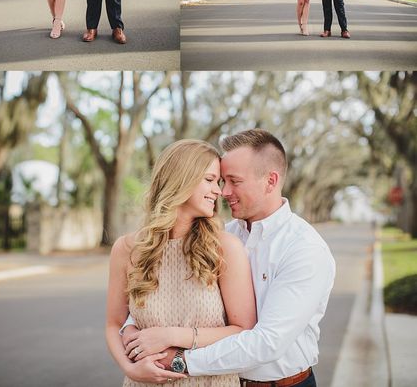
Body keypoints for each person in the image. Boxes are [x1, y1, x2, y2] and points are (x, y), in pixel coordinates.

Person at [124, 129, 335, 387]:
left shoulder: (304, 248)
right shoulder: (219, 236)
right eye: (221, 181)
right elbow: (169, 298)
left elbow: (266, 343)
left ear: (270, 181)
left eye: (234, 181)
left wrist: (179, 360)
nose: (223, 192)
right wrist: (131, 329)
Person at [106, 138, 257, 386]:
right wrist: (130, 369)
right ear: (181, 180)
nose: (219, 191)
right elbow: (114, 324)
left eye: (218, 182)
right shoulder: (127, 249)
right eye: (209, 180)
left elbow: (243, 329)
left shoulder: (224, 247)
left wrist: (170, 336)